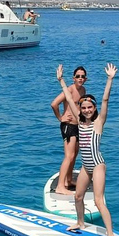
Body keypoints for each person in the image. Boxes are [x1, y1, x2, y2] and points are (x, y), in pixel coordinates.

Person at [57, 63, 118, 236]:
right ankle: (81, 222)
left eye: (89, 107)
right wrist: (61, 80)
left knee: (99, 201)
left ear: (94, 108)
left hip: (97, 165)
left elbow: (105, 100)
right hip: (85, 166)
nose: (86, 110)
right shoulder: (79, 121)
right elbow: (67, 96)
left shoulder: (99, 122)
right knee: (78, 197)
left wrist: (109, 79)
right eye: (83, 108)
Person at [50, 66, 87, 194]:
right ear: (73, 78)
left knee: (74, 154)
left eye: (82, 76)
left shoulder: (83, 90)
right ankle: (61, 186)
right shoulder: (70, 90)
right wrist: (61, 118)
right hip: (68, 126)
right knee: (69, 155)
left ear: (85, 79)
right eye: (78, 76)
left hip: (78, 127)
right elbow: (54, 104)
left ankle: (69, 180)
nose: (80, 78)